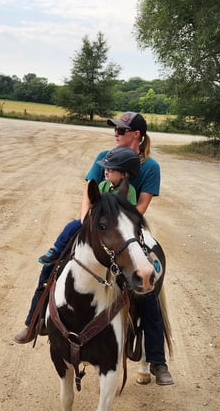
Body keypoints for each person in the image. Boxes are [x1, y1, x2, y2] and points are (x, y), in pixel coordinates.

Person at [15, 112, 174, 386]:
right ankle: (35, 320)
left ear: (136, 134)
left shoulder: (151, 167)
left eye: (122, 130)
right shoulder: (104, 156)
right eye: (116, 129)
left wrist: (119, 228)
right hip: (96, 223)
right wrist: (87, 222)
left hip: (129, 230)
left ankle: (157, 361)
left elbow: (141, 208)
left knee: (148, 289)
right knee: (53, 266)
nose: (116, 133)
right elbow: (88, 193)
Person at [37, 146, 140, 264]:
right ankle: (56, 250)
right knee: (72, 226)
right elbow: (94, 204)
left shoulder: (130, 191)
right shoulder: (102, 185)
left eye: (111, 169)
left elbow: (129, 211)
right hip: (98, 220)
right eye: (106, 168)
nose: (106, 171)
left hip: (114, 224)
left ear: (124, 174)